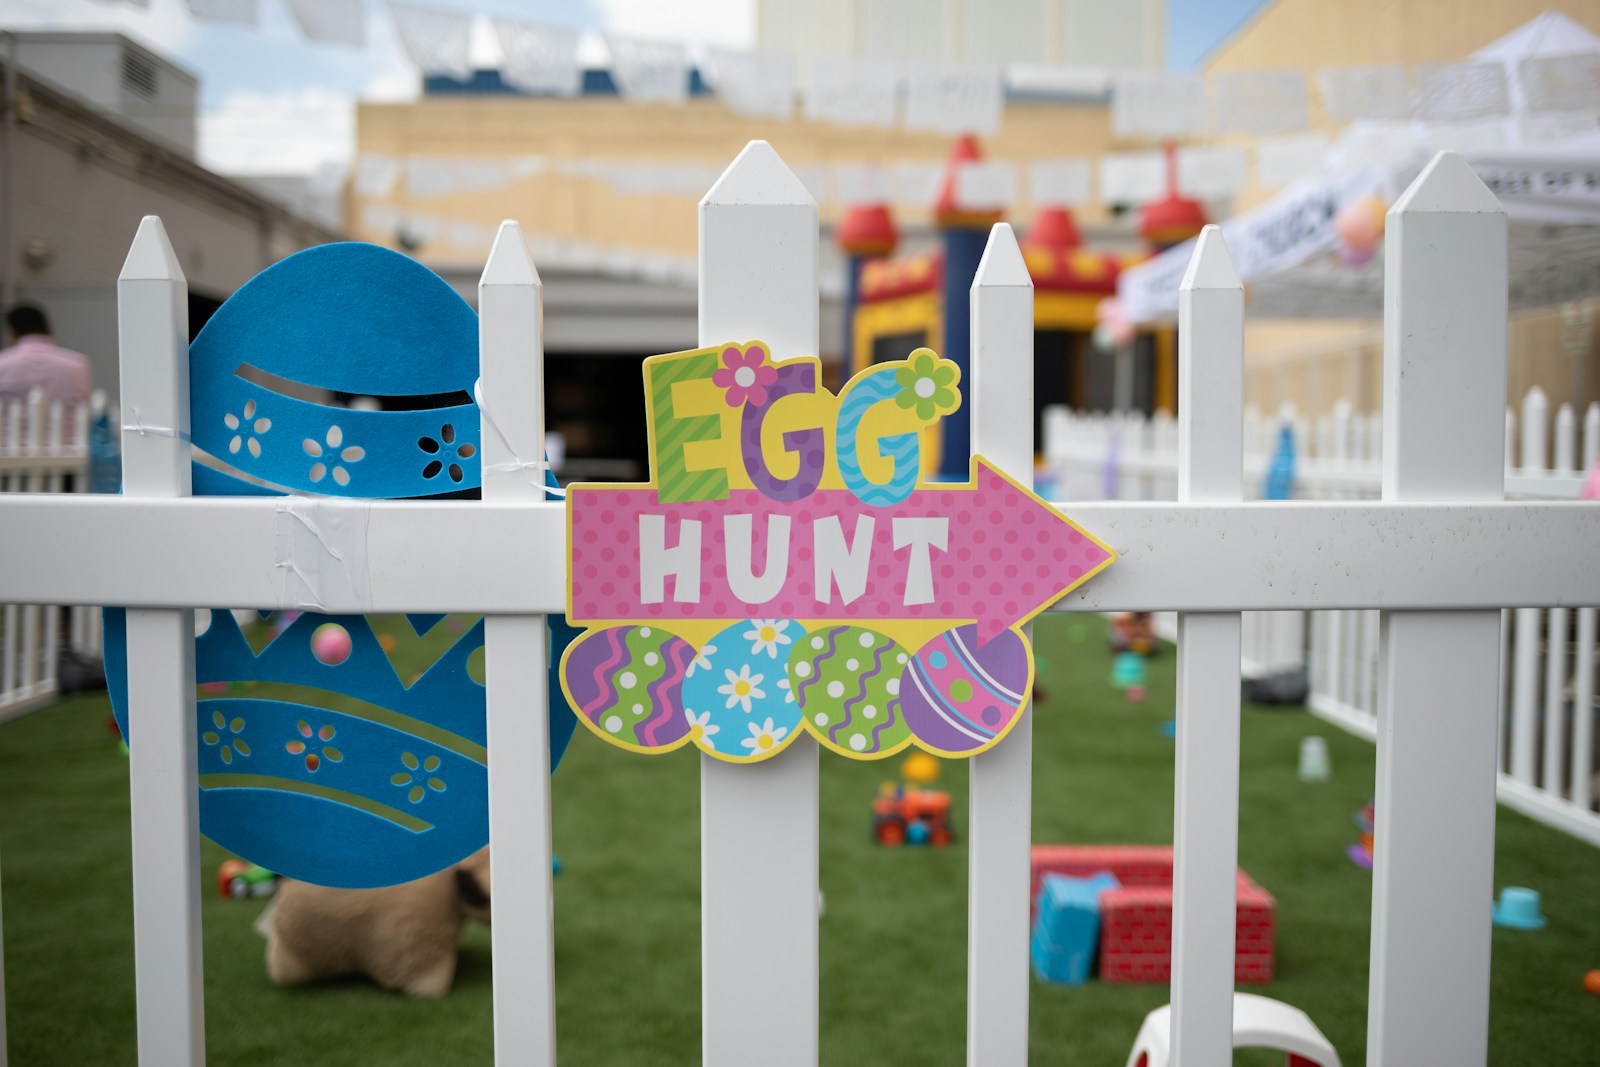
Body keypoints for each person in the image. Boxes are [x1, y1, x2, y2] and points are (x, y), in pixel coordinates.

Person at [0, 304, 92, 440]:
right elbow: (85, 409)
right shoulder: (78, 365)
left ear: (13, 333)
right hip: (69, 454)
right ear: (49, 329)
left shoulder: (4, 364)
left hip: (10, 456)